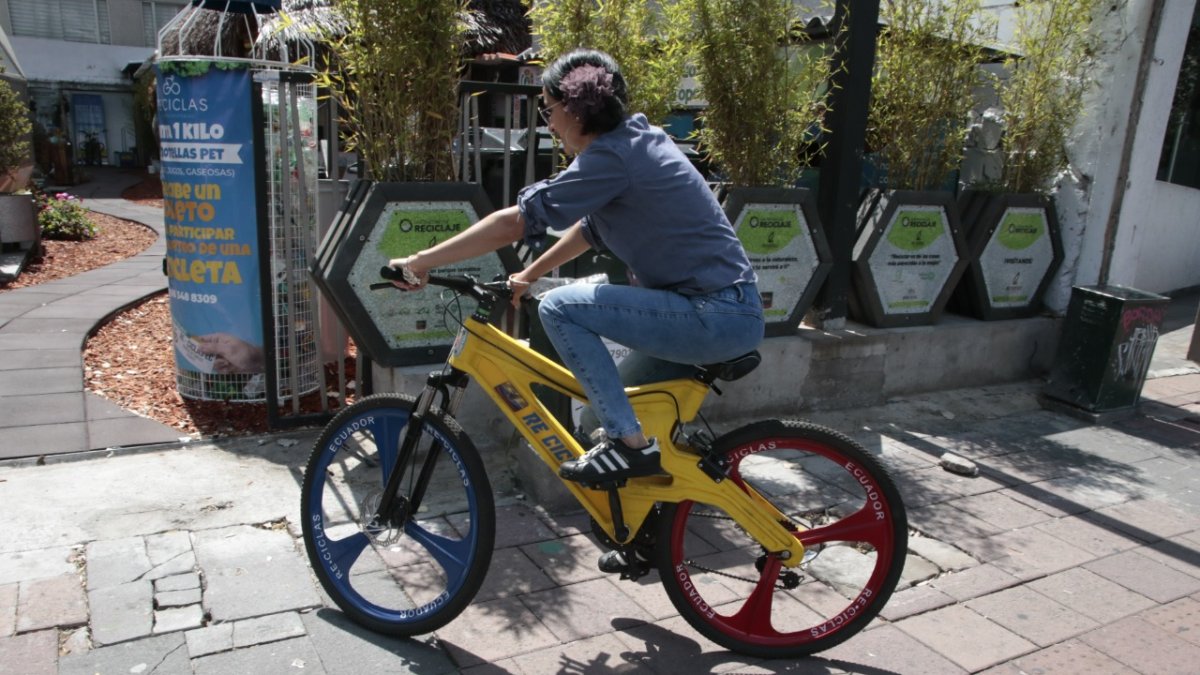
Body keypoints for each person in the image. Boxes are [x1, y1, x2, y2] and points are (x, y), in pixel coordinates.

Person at [389, 48, 764, 488]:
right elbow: (590, 230)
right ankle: (646, 527)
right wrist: (529, 274)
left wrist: (419, 262)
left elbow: (515, 221)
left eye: (548, 110)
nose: (548, 123)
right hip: (710, 310)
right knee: (599, 420)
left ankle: (632, 448)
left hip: (713, 314)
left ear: (575, 106)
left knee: (561, 308)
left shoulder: (615, 156)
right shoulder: (636, 143)